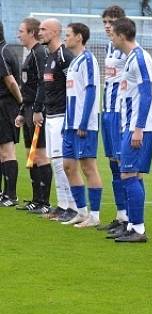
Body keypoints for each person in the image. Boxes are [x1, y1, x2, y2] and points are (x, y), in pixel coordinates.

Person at [109, 17, 152, 243]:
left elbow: (147, 93)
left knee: (128, 173)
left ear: (121, 35)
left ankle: (138, 229)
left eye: (113, 33)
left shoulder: (140, 58)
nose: (110, 36)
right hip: (129, 125)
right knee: (131, 174)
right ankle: (131, 224)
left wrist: (138, 128)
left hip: (139, 127)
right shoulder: (130, 59)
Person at [59, 22, 103, 228]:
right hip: (70, 124)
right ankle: (81, 211)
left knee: (88, 167)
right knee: (68, 166)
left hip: (84, 125)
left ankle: (94, 215)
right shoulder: (75, 62)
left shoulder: (88, 60)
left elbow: (91, 91)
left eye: (68, 35)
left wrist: (84, 122)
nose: (65, 38)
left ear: (79, 37)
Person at [39, 18, 78, 222]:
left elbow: (73, 87)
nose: (40, 32)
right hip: (50, 115)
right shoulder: (49, 56)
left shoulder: (65, 56)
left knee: (64, 162)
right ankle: (62, 204)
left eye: (43, 29)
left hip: (62, 115)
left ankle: (72, 206)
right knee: (55, 162)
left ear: (54, 32)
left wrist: (70, 117)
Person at [15, 17, 52, 214]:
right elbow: (27, 87)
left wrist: (38, 109)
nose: (18, 35)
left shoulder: (39, 53)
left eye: (21, 31)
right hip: (29, 109)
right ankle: (36, 198)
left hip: (37, 111)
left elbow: (42, 83)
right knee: (31, 154)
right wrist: (22, 111)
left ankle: (44, 202)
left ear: (31, 33)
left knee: (40, 154)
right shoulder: (30, 54)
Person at [97, 5, 129, 233]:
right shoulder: (110, 46)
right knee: (112, 165)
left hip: (120, 113)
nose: (107, 26)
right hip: (107, 112)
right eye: (105, 22)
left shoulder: (128, 51)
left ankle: (130, 218)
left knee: (124, 165)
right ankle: (120, 215)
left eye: (111, 22)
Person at [0, 21, 23, 207]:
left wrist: (21, 103)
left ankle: (11, 195)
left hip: (6, 107)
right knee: (2, 151)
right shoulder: (6, 49)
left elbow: (12, 82)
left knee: (7, 151)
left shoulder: (2, 52)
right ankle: (4, 193)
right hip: (5, 106)